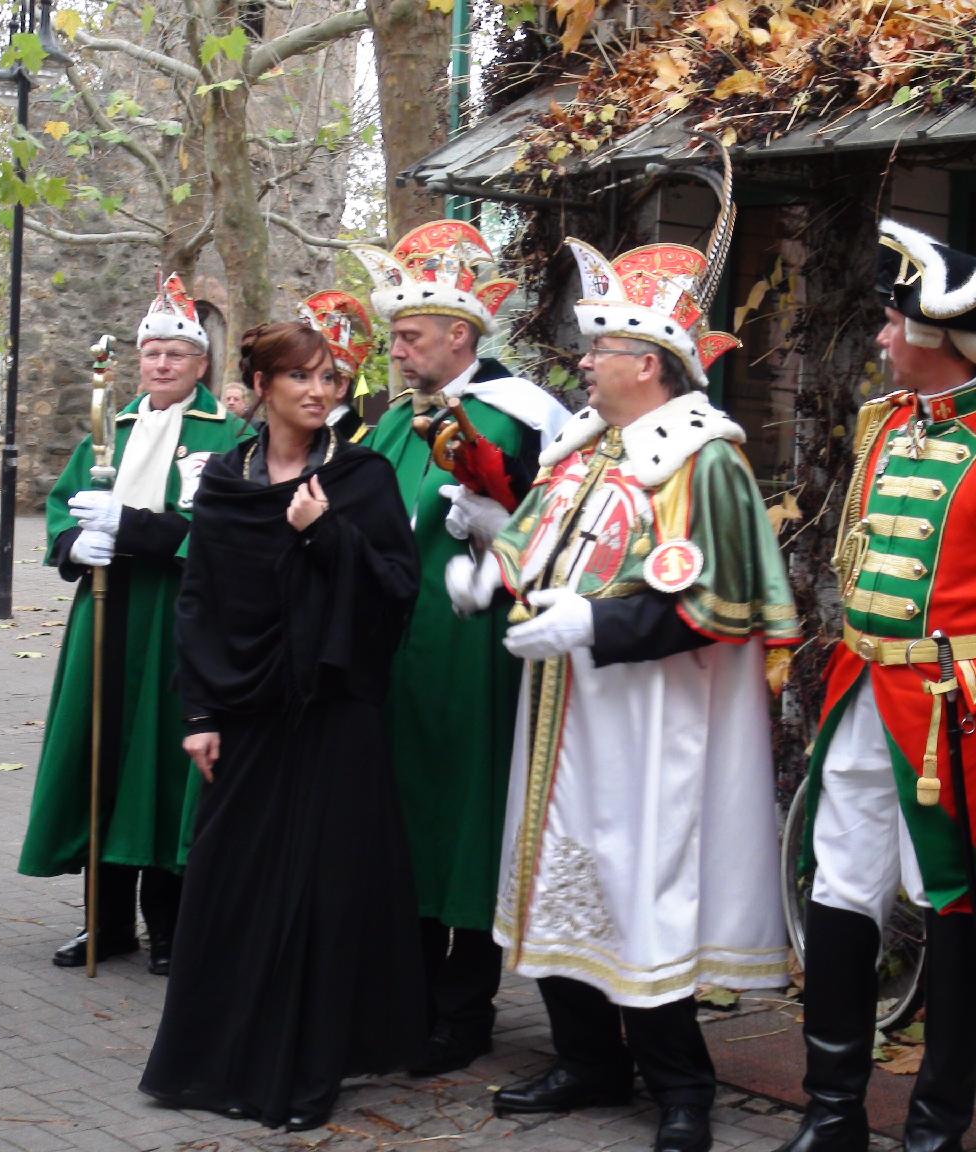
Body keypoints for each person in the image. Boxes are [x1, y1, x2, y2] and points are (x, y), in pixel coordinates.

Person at [446, 234, 800, 1152]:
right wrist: (490, 572)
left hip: (650, 718)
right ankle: (587, 1060)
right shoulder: (586, 447)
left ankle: (682, 1087)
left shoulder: (704, 461)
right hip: (564, 711)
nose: (584, 364)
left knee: (641, 885)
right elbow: (537, 538)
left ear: (647, 363)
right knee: (557, 877)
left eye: (598, 350)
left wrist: (593, 627)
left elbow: (719, 602)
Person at [775, 220, 976, 1152]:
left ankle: (935, 1126)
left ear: (938, 336)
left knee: (956, 901)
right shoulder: (886, 422)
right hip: (864, 687)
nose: (881, 336)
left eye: (893, 322)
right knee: (841, 885)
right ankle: (832, 1110)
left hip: (958, 706)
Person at [140, 320, 425, 1131]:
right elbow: (200, 600)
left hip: (334, 710)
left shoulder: (361, 476)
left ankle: (308, 1071)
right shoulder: (225, 479)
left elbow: (397, 590)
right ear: (262, 387)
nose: (318, 390)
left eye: (329, 378)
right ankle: (216, 1059)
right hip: (245, 710)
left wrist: (326, 534)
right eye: (300, 376)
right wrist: (199, 711)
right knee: (230, 881)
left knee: (323, 889)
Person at [352, 220, 570, 1075]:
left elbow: (564, 532)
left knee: (469, 817)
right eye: (395, 336)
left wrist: (500, 530)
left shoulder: (522, 418)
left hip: (476, 653)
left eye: (410, 336)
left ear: (459, 334)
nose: (397, 349)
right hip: (396, 654)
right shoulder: (391, 424)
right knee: (403, 817)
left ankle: (464, 1007)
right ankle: (404, 992)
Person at [19, 274, 250, 973]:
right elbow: (63, 503)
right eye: (151, 353)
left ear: (201, 364)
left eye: (176, 355)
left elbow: (229, 530)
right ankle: (106, 922)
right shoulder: (108, 429)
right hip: (107, 611)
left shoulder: (231, 435)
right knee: (102, 754)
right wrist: (70, 543)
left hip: (179, 617)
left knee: (166, 765)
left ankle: (172, 927)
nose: (161, 364)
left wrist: (140, 530)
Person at [299, 289, 375, 444]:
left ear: (341, 385)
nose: (300, 389)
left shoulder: (361, 449)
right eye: (300, 377)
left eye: (325, 377)